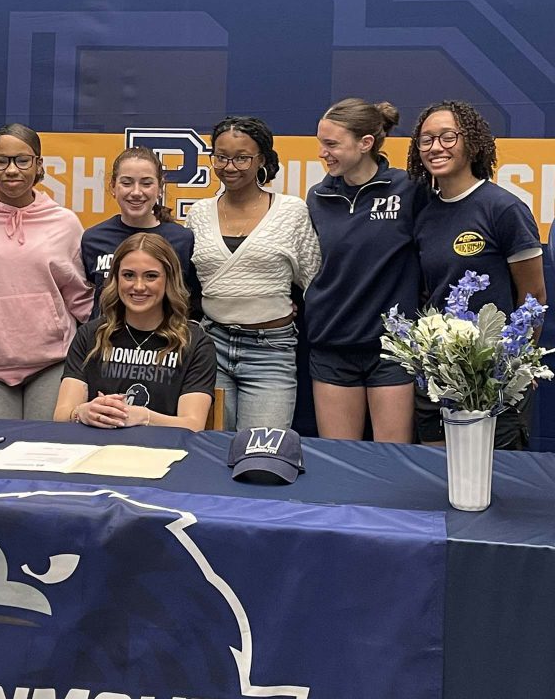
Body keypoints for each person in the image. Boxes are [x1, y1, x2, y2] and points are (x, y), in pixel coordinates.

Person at [407, 100, 545, 449]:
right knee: (435, 483)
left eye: (448, 137)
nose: (436, 147)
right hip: (438, 378)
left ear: (472, 141)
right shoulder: (424, 213)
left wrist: (517, 364)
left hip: (493, 382)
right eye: (426, 140)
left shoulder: (504, 208)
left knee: (491, 488)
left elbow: (534, 297)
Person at [0, 123, 93, 420]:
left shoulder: (64, 223)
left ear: (39, 165)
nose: (11, 170)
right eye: (1, 161)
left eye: (22, 160)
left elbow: (81, 298)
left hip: (53, 362)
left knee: (44, 455)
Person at [185, 115, 321, 431]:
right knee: (211, 453)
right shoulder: (199, 214)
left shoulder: (291, 210)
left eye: (242, 158)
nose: (229, 167)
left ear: (262, 158)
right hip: (211, 348)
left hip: (270, 352)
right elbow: (189, 283)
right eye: (221, 156)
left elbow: (313, 280)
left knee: (263, 455)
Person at [306, 98, 426, 442]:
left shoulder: (408, 189)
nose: (322, 153)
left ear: (366, 143)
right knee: (341, 462)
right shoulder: (318, 196)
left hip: (391, 349)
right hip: (332, 344)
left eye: (331, 144)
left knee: (391, 461)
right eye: (320, 143)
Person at [54, 232, 216, 430]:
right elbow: (62, 416)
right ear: (116, 278)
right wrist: (82, 413)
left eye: (151, 276)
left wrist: (143, 417)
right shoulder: (90, 335)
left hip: (163, 453)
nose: (139, 286)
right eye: (128, 275)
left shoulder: (195, 342)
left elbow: (193, 425)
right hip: (96, 450)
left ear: (169, 280)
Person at [81, 146, 198, 317]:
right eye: (127, 183)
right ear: (113, 187)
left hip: (165, 340)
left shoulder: (182, 239)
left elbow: (192, 300)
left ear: (160, 188)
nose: (136, 192)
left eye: (146, 183)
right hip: (107, 339)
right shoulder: (93, 239)